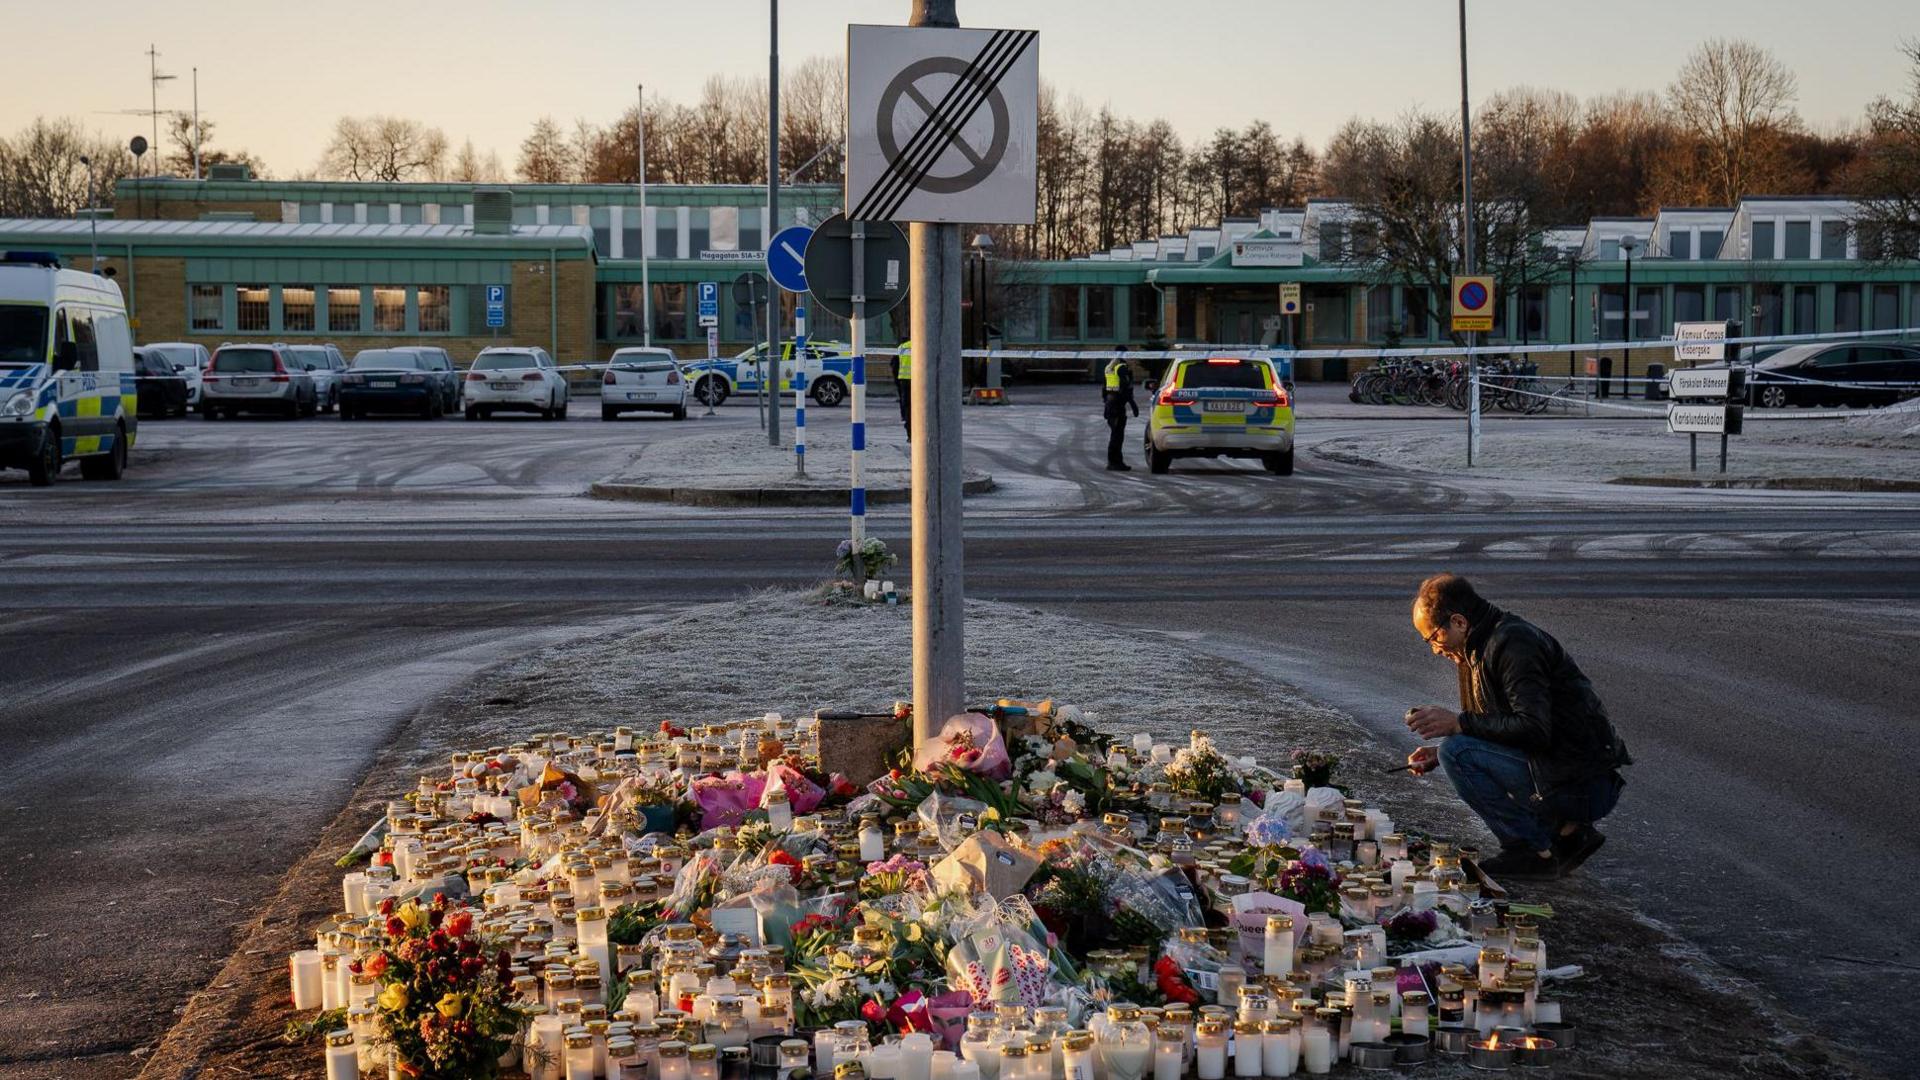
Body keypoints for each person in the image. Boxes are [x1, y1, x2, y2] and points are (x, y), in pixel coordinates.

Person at [1403, 573, 1630, 879]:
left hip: (1585, 784)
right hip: (1565, 773)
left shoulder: (1513, 643)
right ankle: (1566, 834)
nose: (1434, 649)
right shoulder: (1473, 650)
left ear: (1458, 622)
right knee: (1452, 751)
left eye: (1433, 638)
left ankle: (1531, 850)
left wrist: (1458, 724)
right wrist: (1442, 746)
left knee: (1457, 753)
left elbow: (1533, 729)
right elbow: (1496, 730)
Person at [1102, 348, 1138, 471]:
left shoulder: (1109, 367)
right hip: (1117, 405)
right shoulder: (1122, 367)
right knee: (1117, 435)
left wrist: (1105, 405)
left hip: (1110, 403)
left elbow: (1104, 388)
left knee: (1115, 434)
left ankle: (1115, 461)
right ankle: (1115, 462)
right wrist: (1133, 406)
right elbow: (1126, 388)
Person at [893, 338, 912, 437]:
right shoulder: (922, 345)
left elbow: (894, 365)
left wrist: (897, 380)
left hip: (904, 380)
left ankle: (909, 433)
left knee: (907, 406)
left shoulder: (902, 347)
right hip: (918, 381)